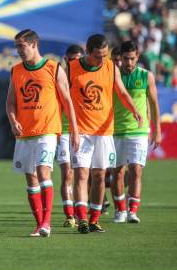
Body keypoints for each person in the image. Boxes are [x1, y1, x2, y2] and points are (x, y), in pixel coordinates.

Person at [6, 29, 79, 237]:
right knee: (30, 179)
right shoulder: (16, 71)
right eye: (17, 47)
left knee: (43, 172)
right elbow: (10, 102)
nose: (19, 50)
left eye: (22, 46)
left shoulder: (53, 68)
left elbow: (67, 101)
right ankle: (39, 225)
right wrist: (13, 121)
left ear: (34, 44)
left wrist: (74, 130)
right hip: (24, 133)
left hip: (47, 131)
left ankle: (46, 223)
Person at [69, 34, 141, 234]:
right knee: (81, 174)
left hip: (104, 131)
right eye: (98, 56)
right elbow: (62, 97)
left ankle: (94, 220)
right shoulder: (72, 68)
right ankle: (82, 218)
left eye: (105, 55)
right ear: (87, 51)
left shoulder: (110, 67)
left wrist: (133, 109)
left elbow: (121, 91)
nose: (102, 59)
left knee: (100, 175)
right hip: (81, 131)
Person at [111, 40, 162, 224]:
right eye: (125, 59)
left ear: (137, 57)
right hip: (116, 131)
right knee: (116, 172)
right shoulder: (113, 76)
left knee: (136, 170)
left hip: (138, 132)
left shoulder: (146, 76)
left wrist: (157, 131)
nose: (129, 63)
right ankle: (120, 210)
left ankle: (132, 211)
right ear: (120, 58)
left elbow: (155, 104)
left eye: (132, 59)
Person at [56, 44, 84, 228]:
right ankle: (70, 215)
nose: (74, 62)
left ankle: (85, 207)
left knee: (82, 174)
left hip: (83, 131)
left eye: (78, 59)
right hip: (63, 131)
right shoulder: (59, 75)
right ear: (66, 59)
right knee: (67, 173)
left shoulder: (84, 76)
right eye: (71, 59)